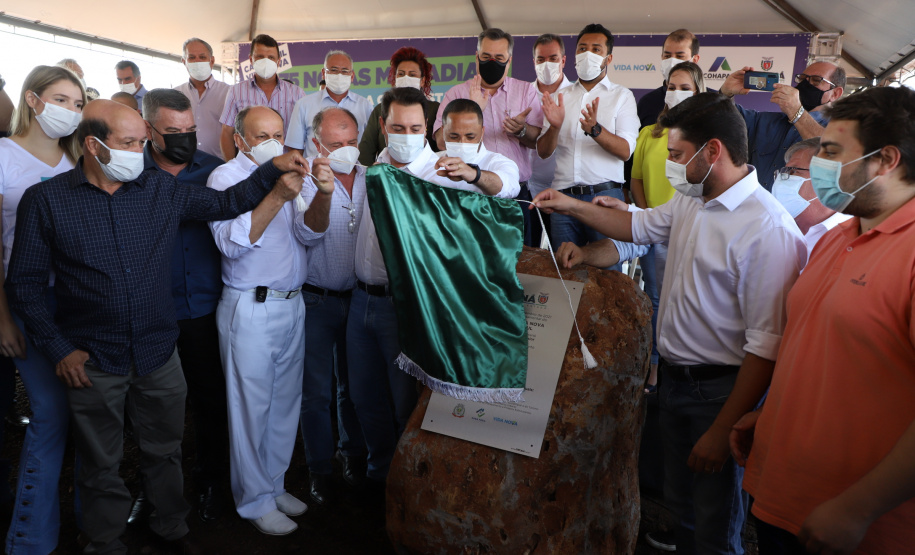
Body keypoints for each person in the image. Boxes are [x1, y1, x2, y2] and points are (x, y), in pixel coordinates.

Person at [6, 99, 309, 555]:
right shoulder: (47, 201)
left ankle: (171, 526)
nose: (138, 151)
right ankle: (105, 540)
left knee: (165, 449)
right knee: (100, 459)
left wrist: (271, 170)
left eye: (142, 142)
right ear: (93, 144)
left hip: (156, 351)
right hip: (92, 356)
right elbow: (25, 285)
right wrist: (59, 349)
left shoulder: (158, 189)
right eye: (127, 143)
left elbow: (229, 202)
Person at [533, 92, 807, 554]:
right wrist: (571, 206)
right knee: (683, 509)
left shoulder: (767, 230)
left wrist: (724, 430)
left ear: (713, 151)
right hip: (676, 384)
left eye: (677, 156)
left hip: (720, 393)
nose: (670, 167)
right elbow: (637, 228)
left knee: (716, 525)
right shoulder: (694, 199)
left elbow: (767, 347)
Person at [731, 86, 915, 555]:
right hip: (783, 493)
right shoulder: (838, 236)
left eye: (831, 152)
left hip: (856, 523)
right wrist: (774, 416)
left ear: (886, 160)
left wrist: (860, 507)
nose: (818, 165)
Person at [349, 87, 518, 486]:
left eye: (414, 127)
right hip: (360, 301)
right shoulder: (372, 166)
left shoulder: (443, 173)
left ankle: (409, 486)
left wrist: (475, 174)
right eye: (397, 127)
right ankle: (378, 476)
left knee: (406, 405)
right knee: (363, 399)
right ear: (383, 126)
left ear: (427, 128)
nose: (406, 135)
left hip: (406, 306)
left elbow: (506, 186)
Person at [208, 105, 326, 536]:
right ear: (239, 140)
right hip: (250, 307)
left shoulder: (293, 173)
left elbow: (311, 235)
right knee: (250, 408)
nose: (274, 143)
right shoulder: (225, 179)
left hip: (292, 302)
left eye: (278, 133)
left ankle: (273, 485)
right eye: (261, 137)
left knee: (283, 405)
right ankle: (253, 499)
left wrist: (323, 194)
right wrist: (277, 196)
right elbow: (232, 244)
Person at [0, 64, 84, 555]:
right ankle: (29, 538)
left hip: (78, 304)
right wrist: (4, 315)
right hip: (27, 303)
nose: (69, 111)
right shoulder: (5, 157)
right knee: (51, 412)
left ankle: (89, 522)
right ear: (32, 100)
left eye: (77, 103)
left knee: (84, 413)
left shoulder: (79, 158)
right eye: (60, 99)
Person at [141, 88, 229, 523]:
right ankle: (155, 491)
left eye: (191, 130)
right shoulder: (127, 173)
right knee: (150, 409)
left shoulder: (214, 171)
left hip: (205, 308)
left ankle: (212, 480)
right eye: (174, 131)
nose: (185, 138)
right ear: (148, 130)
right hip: (151, 313)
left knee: (211, 401)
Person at [296, 106, 367, 505]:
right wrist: (323, 190)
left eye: (352, 143)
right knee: (315, 393)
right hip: (316, 301)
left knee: (353, 387)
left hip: (359, 300)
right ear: (316, 143)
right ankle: (320, 469)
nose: (346, 151)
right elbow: (307, 233)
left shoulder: (372, 178)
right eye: (336, 145)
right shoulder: (304, 180)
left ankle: (352, 453)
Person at [537, 23, 640, 272]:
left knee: (608, 278)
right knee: (565, 273)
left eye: (596, 49)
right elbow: (543, 151)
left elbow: (626, 150)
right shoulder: (561, 97)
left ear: (608, 57)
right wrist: (554, 126)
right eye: (582, 48)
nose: (588, 54)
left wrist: (595, 129)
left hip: (604, 200)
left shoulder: (622, 96)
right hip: (563, 199)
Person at [631, 61, 705, 393]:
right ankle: (654, 367)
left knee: (686, 299)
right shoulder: (649, 133)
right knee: (656, 298)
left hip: (691, 230)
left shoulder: (708, 137)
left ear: (699, 91)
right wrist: (650, 220)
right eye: (672, 87)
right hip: (654, 230)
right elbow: (636, 180)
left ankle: (681, 366)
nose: (676, 93)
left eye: (685, 87)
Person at [434, 28, 543, 245]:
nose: (492, 62)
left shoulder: (525, 92)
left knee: (518, 265)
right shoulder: (456, 94)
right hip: (465, 194)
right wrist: (474, 108)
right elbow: (439, 140)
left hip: (513, 194)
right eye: (486, 57)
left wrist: (521, 130)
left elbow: (538, 141)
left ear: (509, 61)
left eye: (499, 58)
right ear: (477, 57)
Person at [720, 61, 845, 190]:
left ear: (835, 93)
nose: (805, 84)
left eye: (816, 80)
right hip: (753, 206)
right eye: (802, 78)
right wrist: (725, 94)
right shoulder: (765, 121)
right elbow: (723, 119)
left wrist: (797, 113)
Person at [219, 34, 306, 161]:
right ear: (251, 59)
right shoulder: (236, 91)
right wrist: (233, 166)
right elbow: (227, 133)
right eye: (260, 57)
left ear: (278, 61)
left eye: (271, 57)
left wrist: (295, 167)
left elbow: (302, 135)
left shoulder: (297, 93)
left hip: (285, 166)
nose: (266, 62)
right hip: (249, 169)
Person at [358, 47, 440, 166]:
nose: (406, 78)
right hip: (388, 178)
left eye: (412, 75)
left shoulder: (435, 110)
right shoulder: (380, 110)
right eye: (401, 74)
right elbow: (366, 153)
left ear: (422, 81)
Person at [527, 33, 572, 245]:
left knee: (563, 258)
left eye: (553, 58)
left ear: (563, 60)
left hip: (565, 190)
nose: (547, 64)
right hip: (528, 189)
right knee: (526, 256)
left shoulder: (576, 95)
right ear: (533, 61)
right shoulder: (523, 94)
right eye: (541, 59)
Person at [770, 137, 850, 256]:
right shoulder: (769, 227)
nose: (781, 179)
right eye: (784, 172)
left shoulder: (854, 240)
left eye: (792, 171)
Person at [286, 50, 372, 158]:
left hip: (355, 172)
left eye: (345, 71)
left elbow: (371, 146)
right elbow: (295, 148)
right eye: (334, 70)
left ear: (352, 75)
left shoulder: (365, 106)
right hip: (316, 172)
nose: (339, 75)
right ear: (323, 73)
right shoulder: (304, 105)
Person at [175, 38, 231, 159]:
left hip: (219, 163)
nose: (197, 62)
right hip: (184, 164)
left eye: (202, 57)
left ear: (212, 60)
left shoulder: (229, 92)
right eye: (192, 58)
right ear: (184, 61)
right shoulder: (175, 94)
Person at [637, 29, 700, 129]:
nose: (671, 62)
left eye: (680, 56)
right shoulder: (648, 102)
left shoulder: (710, 100)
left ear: (695, 59)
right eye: (667, 56)